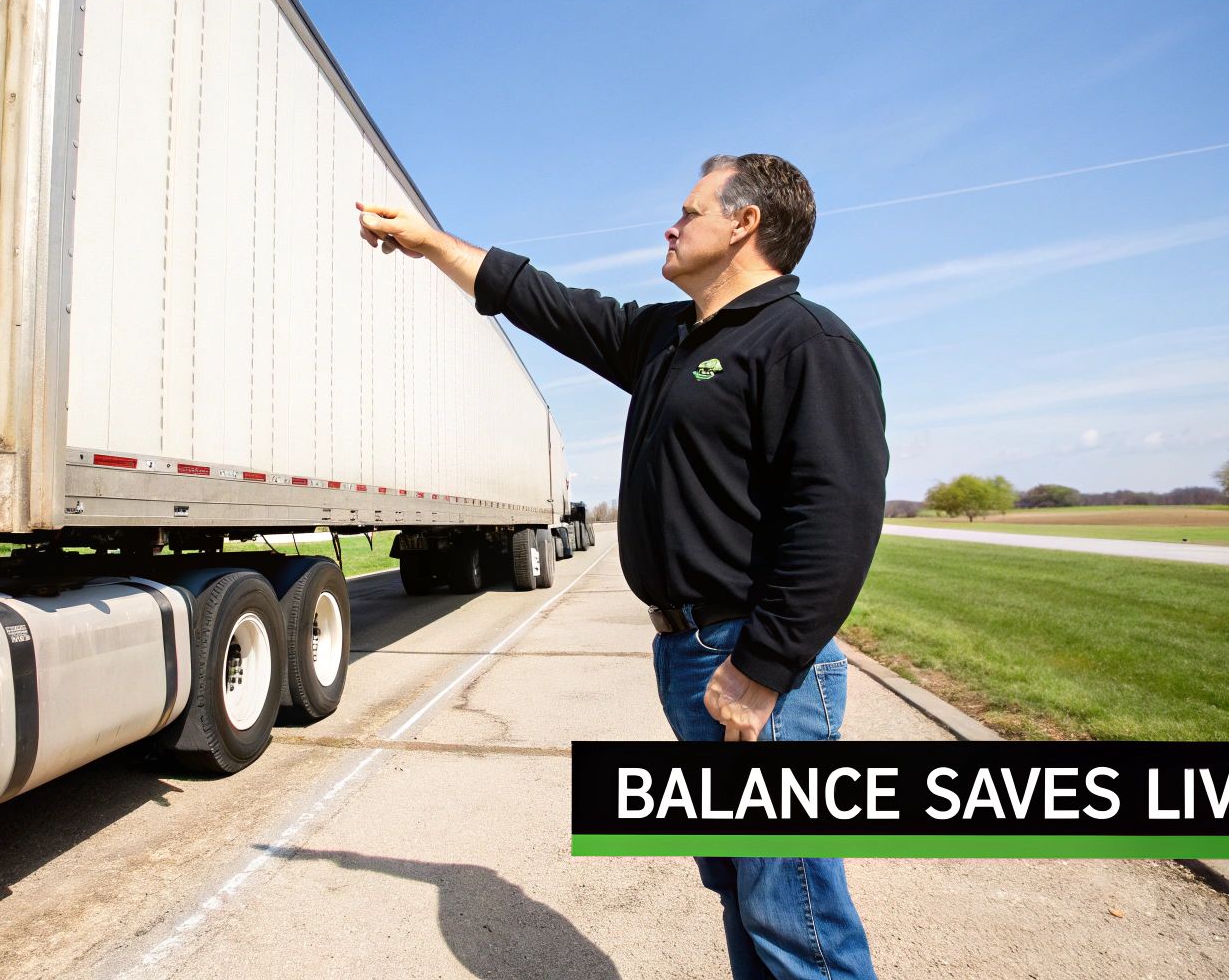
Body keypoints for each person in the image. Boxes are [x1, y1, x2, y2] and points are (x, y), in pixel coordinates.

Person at [357, 153, 887, 980]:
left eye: (690, 210)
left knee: (797, 915)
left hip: (756, 666)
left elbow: (836, 519)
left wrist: (764, 668)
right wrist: (429, 245)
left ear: (746, 222)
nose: (671, 226)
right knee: (744, 896)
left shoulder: (805, 343)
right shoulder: (668, 338)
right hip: (690, 656)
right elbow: (547, 303)